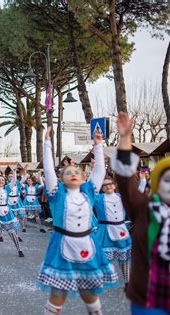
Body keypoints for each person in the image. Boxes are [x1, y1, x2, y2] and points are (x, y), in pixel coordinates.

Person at [38, 127, 118, 315]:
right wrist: (47, 144)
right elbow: (48, 169)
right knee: (58, 294)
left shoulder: (89, 191)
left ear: (83, 177)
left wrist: (98, 145)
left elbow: (99, 170)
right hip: (62, 245)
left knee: (90, 294)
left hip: (87, 244)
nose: (73, 173)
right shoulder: (55, 194)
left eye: (77, 172)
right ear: (61, 179)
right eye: (68, 172)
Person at [111, 112, 170, 315]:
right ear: (157, 184)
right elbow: (126, 180)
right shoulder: (143, 208)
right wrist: (125, 139)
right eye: (167, 179)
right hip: (149, 298)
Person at [94, 177, 132, 287]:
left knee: (123, 258)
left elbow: (136, 196)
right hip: (105, 232)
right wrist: (95, 172)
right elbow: (88, 192)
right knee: (104, 258)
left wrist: (143, 180)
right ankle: (102, 279)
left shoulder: (122, 197)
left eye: (110, 184)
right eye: (105, 185)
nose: (108, 186)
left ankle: (127, 281)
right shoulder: (99, 198)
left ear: (114, 185)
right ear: (102, 188)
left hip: (121, 231)